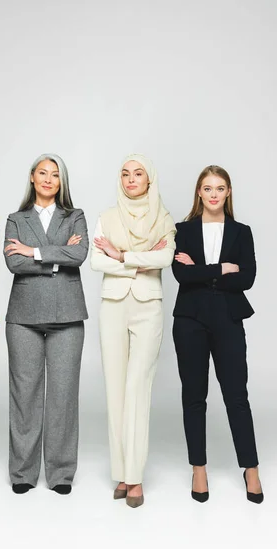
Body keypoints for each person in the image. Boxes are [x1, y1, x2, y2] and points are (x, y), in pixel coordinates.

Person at [172, 165, 264, 504]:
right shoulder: (182, 230)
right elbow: (181, 274)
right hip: (189, 319)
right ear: (199, 192)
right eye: (207, 188)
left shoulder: (242, 232)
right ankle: (199, 467)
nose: (213, 194)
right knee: (194, 396)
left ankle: (250, 468)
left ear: (228, 193)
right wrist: (222, 269)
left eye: (220, 188)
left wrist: (202, 272)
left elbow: (248, 278)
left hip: (228, 318)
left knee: (236, 395)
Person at [91, 154, 176, 508]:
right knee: (116, 389)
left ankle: (135, 477)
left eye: (138, 173)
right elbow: (97, 261)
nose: (130, 179)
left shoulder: (164, 218)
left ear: (149, 179)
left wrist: (121, 256)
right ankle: (122, 472)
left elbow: (166, 258)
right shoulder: (106, 217)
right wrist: (138, 259)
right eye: (125, 174)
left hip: (147, 307)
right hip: (112, 305)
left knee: (137, 387)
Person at [4, 154, 88, 496]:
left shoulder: (75, 216)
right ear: (32, 177)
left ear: (61, 181)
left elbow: (80, 256)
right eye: (43, 173)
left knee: (63, 396)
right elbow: (12, 262)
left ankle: (61, 473)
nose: (49, 179)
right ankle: (23, 472)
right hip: (23, 316)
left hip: (67, 315)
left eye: (55, 174)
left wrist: (34, 252)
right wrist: (56, 257)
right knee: (24, 395)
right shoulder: (16, 219)